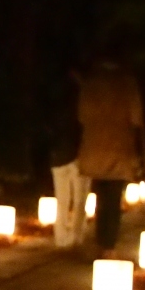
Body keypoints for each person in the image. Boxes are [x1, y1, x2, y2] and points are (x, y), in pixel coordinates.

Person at [77, 54, 145, 254]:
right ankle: (109, 244)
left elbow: (81, 115)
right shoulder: (127, 84)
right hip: (118, 147)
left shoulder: (90, 84)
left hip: (95, 148)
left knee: (100, 196)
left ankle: (100, 240)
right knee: (114, 199)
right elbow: (136, 117)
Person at [47, 70, 89, 247]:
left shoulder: (52, 102)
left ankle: (61, 237)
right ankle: (76, 235)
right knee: (80, 200)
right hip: (78, 154)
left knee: (62, 200)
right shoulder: (82, 102)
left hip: (58, 155)